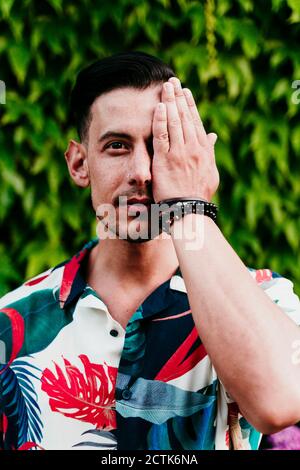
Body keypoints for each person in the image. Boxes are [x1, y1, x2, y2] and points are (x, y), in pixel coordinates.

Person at [1, 51, 300, 451]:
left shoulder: (265, 299)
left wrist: (190, 204)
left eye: (161, 146)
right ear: (78, 164)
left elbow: (281, 403)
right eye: (117, 146)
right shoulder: (13, 322)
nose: (142, 171)